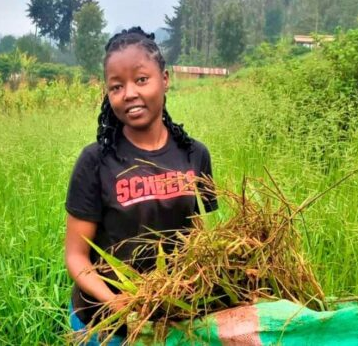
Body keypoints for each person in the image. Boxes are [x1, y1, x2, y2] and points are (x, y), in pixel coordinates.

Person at [64, 26, 218, 346]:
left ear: (165, 79)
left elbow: (198, 230)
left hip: (171, 319)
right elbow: (77, 257)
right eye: (117, 86)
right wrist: (116, 302)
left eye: (141, 80)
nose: (130, 93)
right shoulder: (95, 162)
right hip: (105, 322)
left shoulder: (194, 154)